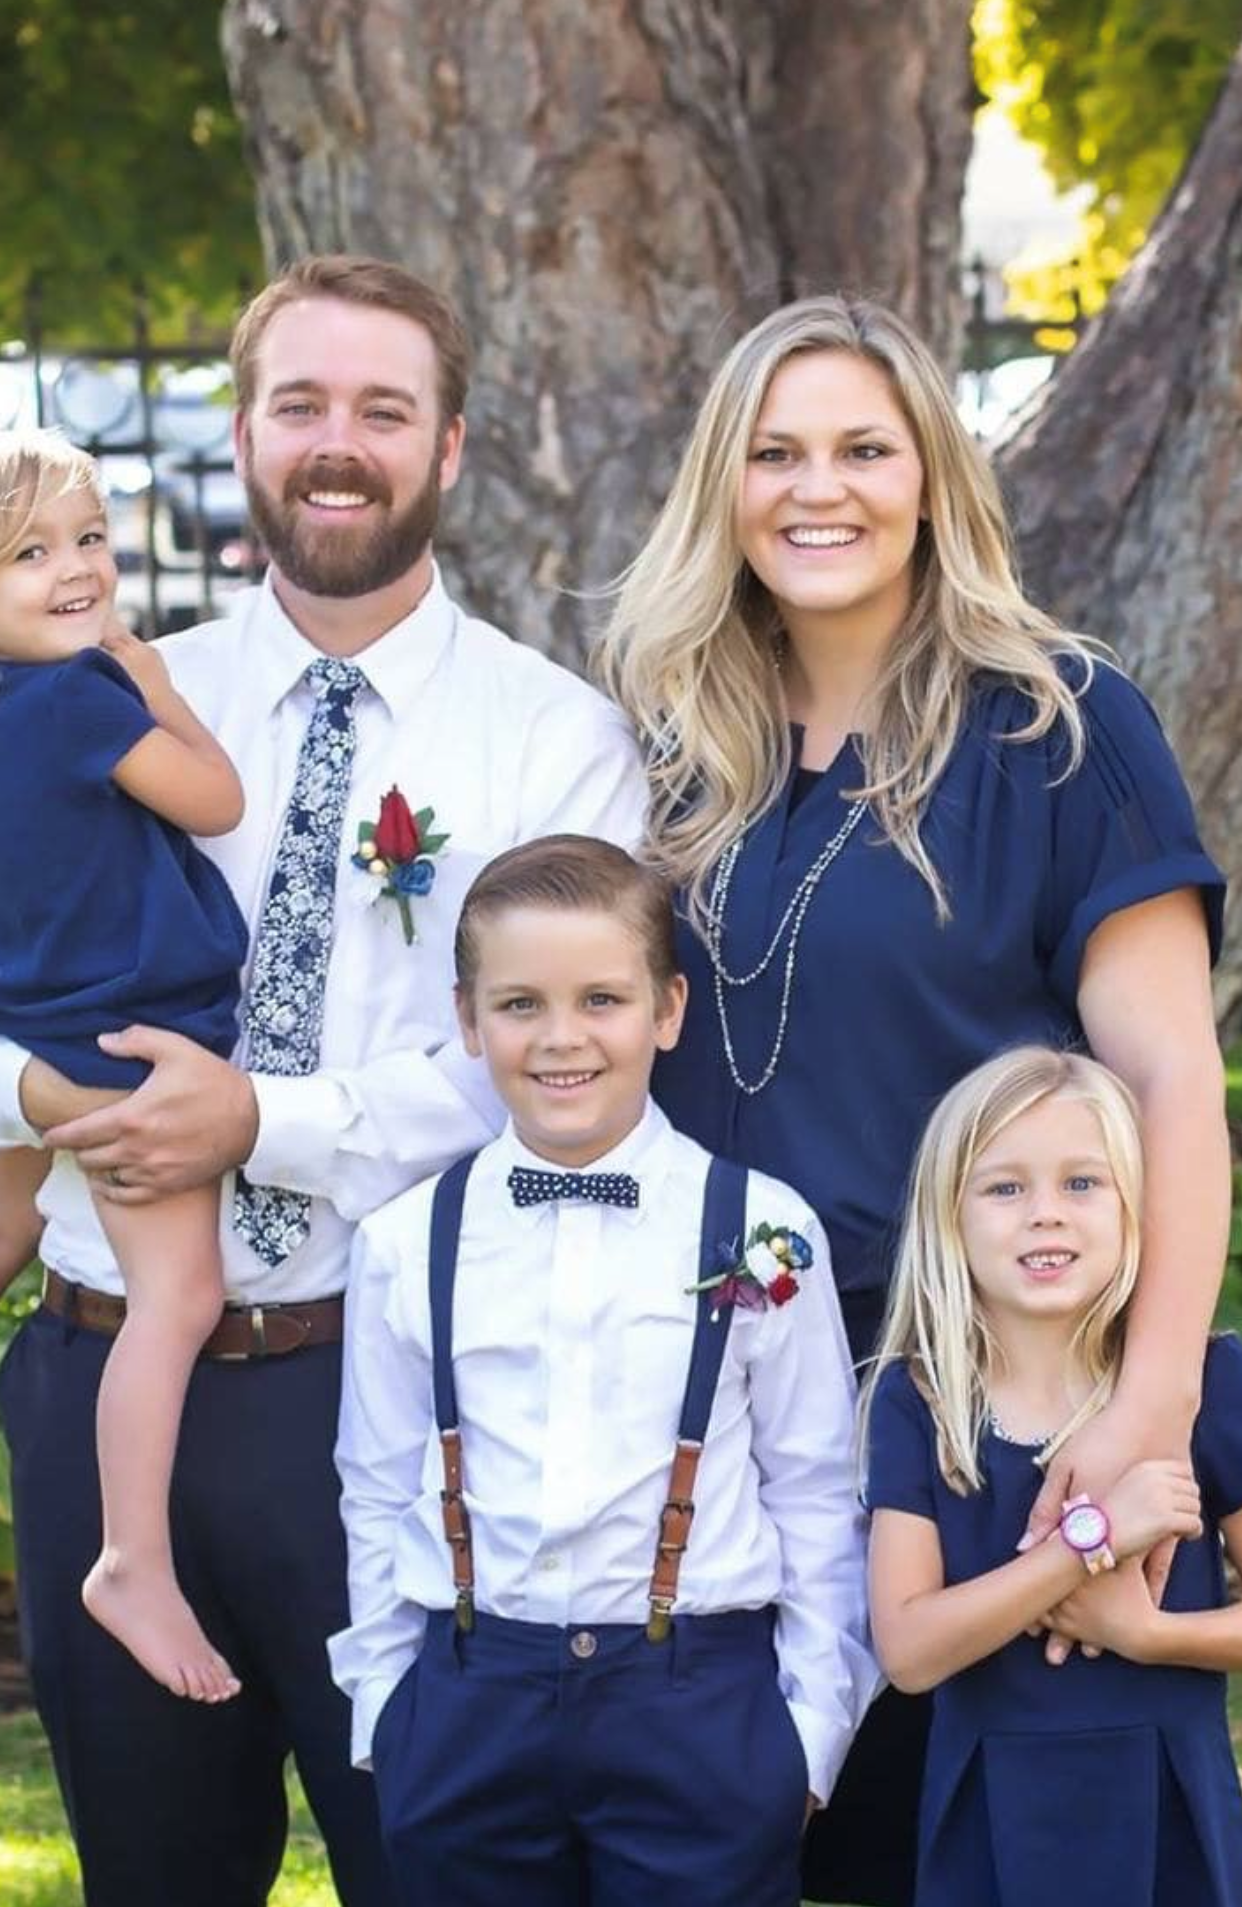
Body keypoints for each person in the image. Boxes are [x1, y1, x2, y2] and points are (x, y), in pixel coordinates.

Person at [0, 257, 646, 1907]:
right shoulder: (111, 694)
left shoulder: (550, 739)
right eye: (301, 405)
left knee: (435, 1862)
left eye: (382, 409)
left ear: (448, 448)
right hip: (107, 1377)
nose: (336, 444)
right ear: (242, 432)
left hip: (409, 1393)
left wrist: (260, 1120)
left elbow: (559, 1069)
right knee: (154, 1875)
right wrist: (40, 1102)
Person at [595, 293, 1228, 1905]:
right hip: (708, 1412)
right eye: (776, 451)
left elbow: (1166, 1079)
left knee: (943, 1854)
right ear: (721, 490)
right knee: (723, 1846)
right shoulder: (669, 743)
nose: (822, 488)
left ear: (933, 477)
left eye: (865, 448)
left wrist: (1138, 1412)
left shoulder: (1058, 724)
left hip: (956, 1414)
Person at [330, 834, 877, 1907]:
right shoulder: (404, 1240)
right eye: (521, 1003)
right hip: (469, 1694)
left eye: (601, 999)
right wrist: (388, 1709)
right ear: (467, 1018)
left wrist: (808, 1734)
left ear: (667, 1011)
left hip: (699, 1704)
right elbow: (379, 1484)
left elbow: (814, 1487)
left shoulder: (764, 1225)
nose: (562, 1036)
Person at [863, 1045, 1242, 1905]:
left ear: (1135, 1206)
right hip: (992, 1820)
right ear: (949, 1215)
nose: (1046, 1215)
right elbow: (911, 1649)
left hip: (1170, 1808)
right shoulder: (918, 1400)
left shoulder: (1205, 1385)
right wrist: (1088, 1542)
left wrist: (1152, 1635)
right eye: (1005, 1187)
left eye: (1082, 1183)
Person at [0, 429, 248, 1704]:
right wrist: (154, 682)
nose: (77, 569)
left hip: (41, 1019)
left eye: (90, 538)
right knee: (181, 1294)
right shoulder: (81, 697)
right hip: (131, 1034)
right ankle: (129, 1558)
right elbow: (214, 800)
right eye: (31, 552)